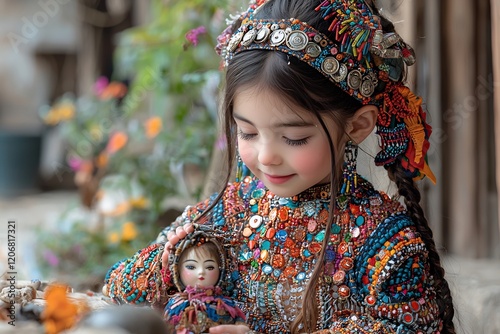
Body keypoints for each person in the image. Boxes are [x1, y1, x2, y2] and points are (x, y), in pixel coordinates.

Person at [104, 0, 456, 333]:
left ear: (358, 125)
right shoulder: (226, 212)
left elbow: (410, 326)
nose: (266, 155)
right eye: (248, 132)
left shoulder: (385, 242)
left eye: (295, 138)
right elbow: (117, 289)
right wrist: (171, 261)